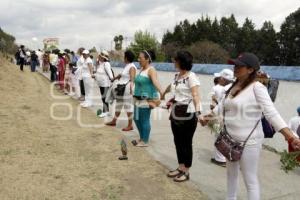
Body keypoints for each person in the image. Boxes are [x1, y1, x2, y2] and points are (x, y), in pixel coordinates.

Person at [201, 52, 300, 200]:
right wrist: (207, 117)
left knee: (250, 180)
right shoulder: (234, 86)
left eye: (240, 66)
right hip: (229, 139)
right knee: (231, 175)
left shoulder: (257, 88)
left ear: (250, 69)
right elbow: (222, 106)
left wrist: (290, 137)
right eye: (235, 65)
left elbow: (271, 114)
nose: (235, 68)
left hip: (249, 143)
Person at [162, 51, 202, 182]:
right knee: (177, 141)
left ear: (181, 61)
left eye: (176, 60)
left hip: (188, 114)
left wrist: (198, 112)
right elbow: (172, 87)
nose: (174, 61)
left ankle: (186, 171)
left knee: (186, 143)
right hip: (176, 112)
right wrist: (163, 93)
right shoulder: (177, 76)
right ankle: (180, 167)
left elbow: (195, 95)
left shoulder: (191, 77)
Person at [131, 50, 163, 147]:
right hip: (137, 98)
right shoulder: (141, 70)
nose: (138, 60)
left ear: (147, 59)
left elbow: (155, 82)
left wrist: (162, 92)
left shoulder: (151, 70)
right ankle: (141, 138)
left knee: (144, 119)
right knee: (136, 119)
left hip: (146, 99)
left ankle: (144, 141)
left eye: (140, 58)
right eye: (138, 58)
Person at [106, 50, 137, 131]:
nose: (123, 58)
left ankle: (130, 125)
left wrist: (131, 86)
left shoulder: (132, 66)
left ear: (126, 57)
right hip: (121, 88)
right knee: (119, 105)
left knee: (128, 106)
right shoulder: (127, 65)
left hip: (127, 89)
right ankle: (114, 121)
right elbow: (121, 75)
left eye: (124, 56)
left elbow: (132, 77)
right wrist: (114, 78)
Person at [210, 69, 234, 167]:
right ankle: (223, 157)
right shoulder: (232, 88)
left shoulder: (223, 89)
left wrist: (210, 114)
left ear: (224, 79)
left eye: (221, 77)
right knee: (225, 138)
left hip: (221, 118)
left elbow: (219, 104)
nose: (219, 79)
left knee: (219, 137)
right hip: (226, 117)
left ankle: (220, 159)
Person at [94, 50, 114, 117]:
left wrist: (112, 79)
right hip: (101, 84)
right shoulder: (100, 64)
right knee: (103, 98)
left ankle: (105, 111)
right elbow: (98, 73)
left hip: (105, 84)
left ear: (103, 58)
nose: (99, 57)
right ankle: (106, 111)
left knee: (104, 98)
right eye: (99, 56)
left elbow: (110, 75)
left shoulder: (106, 64)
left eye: (100, 56)